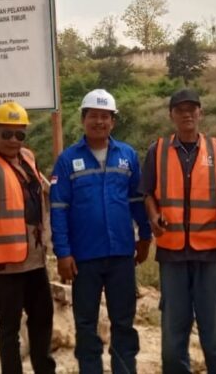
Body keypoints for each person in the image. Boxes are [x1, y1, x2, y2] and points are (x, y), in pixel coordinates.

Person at [50, 89, 152, 374]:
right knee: (85, 325)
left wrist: (145, 236)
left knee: (123, 323)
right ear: (83, 120)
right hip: (84, 257)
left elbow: (137, 201)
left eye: (105, 116)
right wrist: (63, 253)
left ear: (113, 121)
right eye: (93, 116)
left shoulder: (127, 156)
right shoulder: (67, 160)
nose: (99, 122)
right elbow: (58, 208)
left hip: (121, 254)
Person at [141, 88, 216, 374]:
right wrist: (154, 216)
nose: (187, 114)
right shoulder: (157, 151)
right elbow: (147, 193)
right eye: (180, 110)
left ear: (200, 113)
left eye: (192, 109)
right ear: (171, 115)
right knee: (173, 334)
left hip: (210, 254)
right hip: (172, 254)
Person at [0, 101, 55, 374]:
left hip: (35, 260)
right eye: (6, 133)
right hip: (5, 264)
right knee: (10, 327)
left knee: (43, 318)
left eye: (20, 134)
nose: (14, 140)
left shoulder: (28, 158)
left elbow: (42, 190)